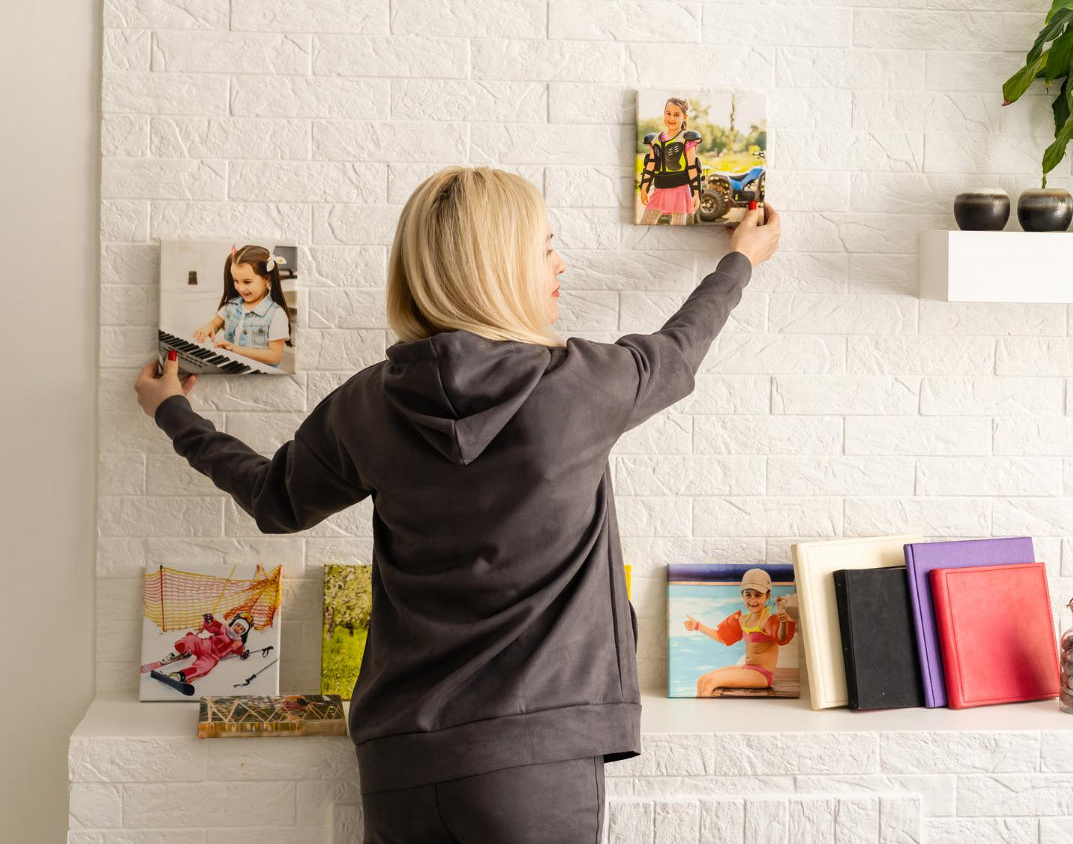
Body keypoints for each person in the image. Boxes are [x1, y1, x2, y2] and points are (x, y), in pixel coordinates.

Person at [134, 165, 782, 844]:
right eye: (546, 248)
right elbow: (679, 351)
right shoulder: (583, 386)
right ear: (499, 269)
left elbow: (276, 501)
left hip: (401, 764)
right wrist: (739, 260)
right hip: (537, 764)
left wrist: (175, 413)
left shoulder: (367, 404)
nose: (562, 263)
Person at [684, 568, 796, 696]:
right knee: (701, 680)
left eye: (758, 595)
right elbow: (721, 637)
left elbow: (781, 639)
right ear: (742, 595)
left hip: (762, 675)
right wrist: (698, 626)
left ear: (767, 596)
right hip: (748, 668)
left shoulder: (767, 620)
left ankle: (707, 709)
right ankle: (701, 708)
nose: (752, 600)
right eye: (748, 595)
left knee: (710, 682)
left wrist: (783, 622)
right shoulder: (743, 619)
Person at [191, 244, 292, 368]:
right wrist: (208, 328)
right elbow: (215, 324)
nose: (240, 288)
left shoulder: (276, 314)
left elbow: (274, 356)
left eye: (247, 282)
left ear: (266, 279)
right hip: (232, 368)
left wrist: (236, 349)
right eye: (236, 281)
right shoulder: (231, 306)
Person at [639, 96, 702, 226]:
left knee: (678, 229)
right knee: (645, 224)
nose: (671, 118)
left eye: (676, 115)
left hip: (680, 191)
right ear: (664, 114)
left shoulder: (687, 139)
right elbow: (650, 166)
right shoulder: (655, 140)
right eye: (668, 113)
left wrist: (696, 193)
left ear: (684, 117)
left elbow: (692, 168)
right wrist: (644, 188)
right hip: (659, 190)